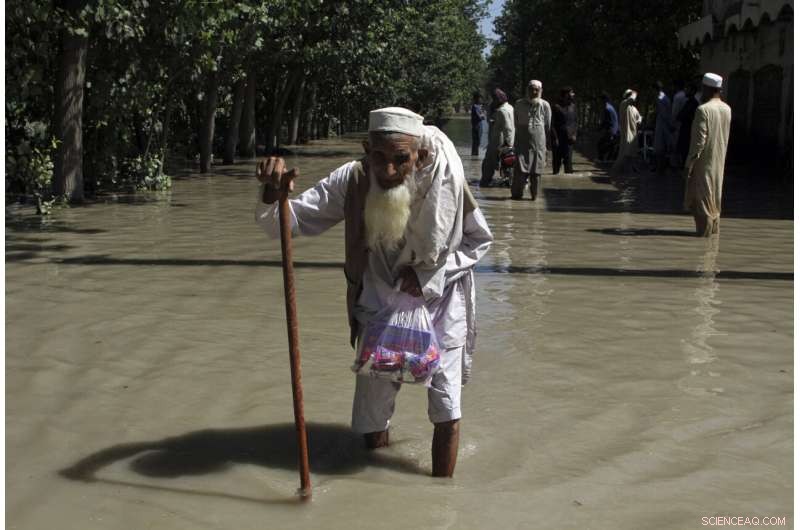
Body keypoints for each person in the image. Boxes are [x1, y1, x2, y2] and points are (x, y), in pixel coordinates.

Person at [254, 107, 494, 477]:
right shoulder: (352, 180)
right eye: (379, 157)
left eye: (401, 160)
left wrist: (432, 273)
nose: (390, 171)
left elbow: (479, 241)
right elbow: (287, 223)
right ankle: (371, 480)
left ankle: (442, 496)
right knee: (372, 413)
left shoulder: (445, 183)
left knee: (446, 410)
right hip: (377, 308)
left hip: (442, 308)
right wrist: (273, 195)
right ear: (367, 149)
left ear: (422, 156)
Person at [684, 73, 731, 237]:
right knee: (715, 202)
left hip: (703, 163)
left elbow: (699, 142)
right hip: (719, 164)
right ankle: (712, 247)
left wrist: (689, 164)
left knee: (702, 203)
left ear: (706, 89)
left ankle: (703, 244)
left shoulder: (703, 110)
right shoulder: (727, 109)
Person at [511, 80, 551, 200]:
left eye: (536, 90)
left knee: (536, 172)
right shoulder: (518, 104)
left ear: (540, 91)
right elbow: (516, 123)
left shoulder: (545, 105)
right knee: (519, 171)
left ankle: (535, 198)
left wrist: (547, 146)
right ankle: (516, 197)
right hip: (522, 142)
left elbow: (547, 126)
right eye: (531, 89)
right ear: (527, 90)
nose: (534, 92)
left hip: (539, 143)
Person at [481, 89, 514, 187]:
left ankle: (484, 184)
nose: (492, 102)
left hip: (498, 143)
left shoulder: (501, 111)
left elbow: (508, 128)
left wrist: (508, 144)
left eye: (493, 99)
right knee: (505, 166)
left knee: (488, 165)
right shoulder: (510, 107)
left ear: (498, 99)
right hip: (505, 142)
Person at [610, 89, 642, 176]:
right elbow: (631, 99)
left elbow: (639, 117)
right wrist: (634, 93)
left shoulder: (633, 108)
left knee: (631, 154)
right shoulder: (624, 104)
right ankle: (615, 172)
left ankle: (628, 172)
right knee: (624, 154)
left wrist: (639, 120)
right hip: (626, 134)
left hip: (634, 135)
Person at [551, 86, 577, 174]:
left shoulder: (573, 107)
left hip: (569, 140)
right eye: (571, 93)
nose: (573, 94)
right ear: (566, 94)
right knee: (556, 165)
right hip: (558, 140)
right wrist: (555, 138)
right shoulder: (556, 107)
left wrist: (574, 134)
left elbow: (575, 122)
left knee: (569, 165)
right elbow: (552, 124)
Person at [675, 81, 700, 168]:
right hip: (685, 130)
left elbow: (682, 115)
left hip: (688, 131)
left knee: (685, 152)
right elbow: (679, 115)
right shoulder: (688, 102)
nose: (686, 91)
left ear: (692, 91)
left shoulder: (693, 103)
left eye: (688, 89)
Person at [652, 81, 673, 176]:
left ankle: (660, 169)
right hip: (663, 124)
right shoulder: (664, 97)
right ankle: (660, 168)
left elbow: (663, 114)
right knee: (662, 148)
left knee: (660, 148)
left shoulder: (660, 98)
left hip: (663, 125)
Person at [596, 91, 619, 162]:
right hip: (614, 129)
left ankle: (601, 158)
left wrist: (599, 128)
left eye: (600, 100)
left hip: (611, 129)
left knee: (600, 144)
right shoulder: (610, 107)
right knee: (610, 144)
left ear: (603, 100)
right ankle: (610, 158)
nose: (600, 102)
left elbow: (606, 121)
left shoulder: (607, 108)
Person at [470, 92, 486, 156]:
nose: (481, 100)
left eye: (481, 98)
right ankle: (474, 155)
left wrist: (483, 114)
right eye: (480, 98)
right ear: (476, 99)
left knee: (477, 141)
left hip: (479, 125)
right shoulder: (475, 106)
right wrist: (483, 114)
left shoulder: (479, 106)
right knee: (476, 141)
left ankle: (475, 155)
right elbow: (480, 117)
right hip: (476, 126)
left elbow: (482, 116)